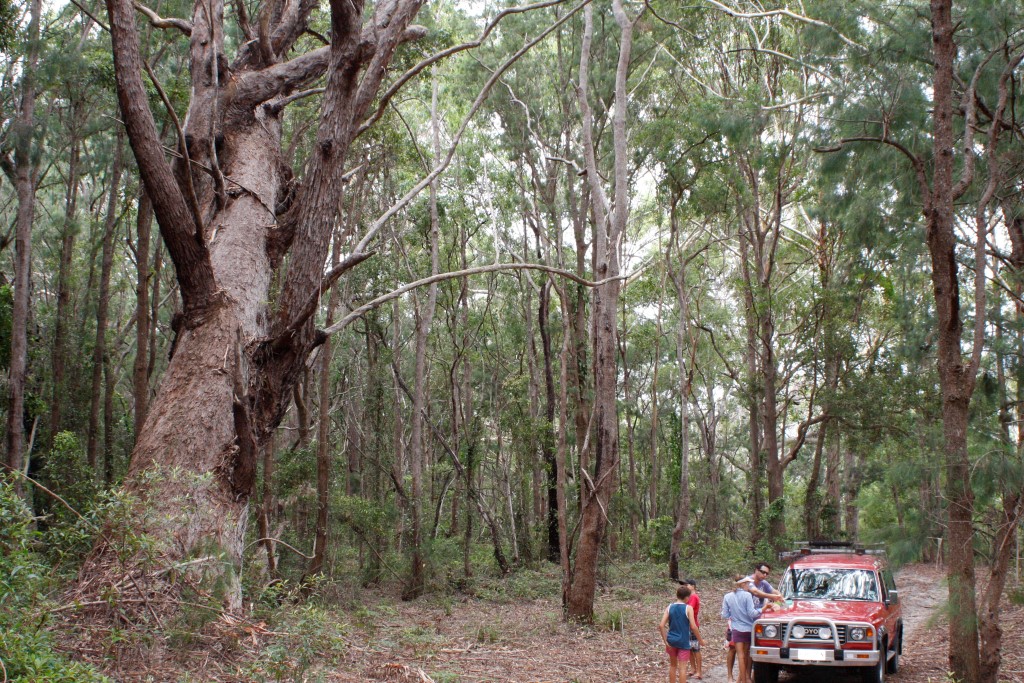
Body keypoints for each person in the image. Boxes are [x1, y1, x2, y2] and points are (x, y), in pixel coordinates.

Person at [660, 583, 705, 683]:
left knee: (673, 666)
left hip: (671, 641)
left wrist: (665, 640)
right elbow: (693, 627)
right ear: (687, 597)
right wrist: (701, 640)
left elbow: (661, 625)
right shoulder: (688, 608)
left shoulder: (669, 607)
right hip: (683, 641)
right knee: (682, 668)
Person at [721, 575, 762, 683]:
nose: (749, 585)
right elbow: (752, 613)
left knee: (740, 656)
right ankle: (744, 680)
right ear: (743, 584)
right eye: (748, 583)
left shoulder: (727, 596)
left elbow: (725, 614)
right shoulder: (747, 595)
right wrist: (763, 609)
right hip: (748, 629)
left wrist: (734, 614)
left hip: (736, 629)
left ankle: (742, 680)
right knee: (745, 655)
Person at [684, 579, 703, 680]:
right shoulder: (688, 597)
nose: (686, 586)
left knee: (696, 648)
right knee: (689, 648)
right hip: (687, 626)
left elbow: (688, 610)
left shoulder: (694, 597)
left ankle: (699, 671)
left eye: (687, 585)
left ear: (693, 586)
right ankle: (693, 668)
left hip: (693, 626)